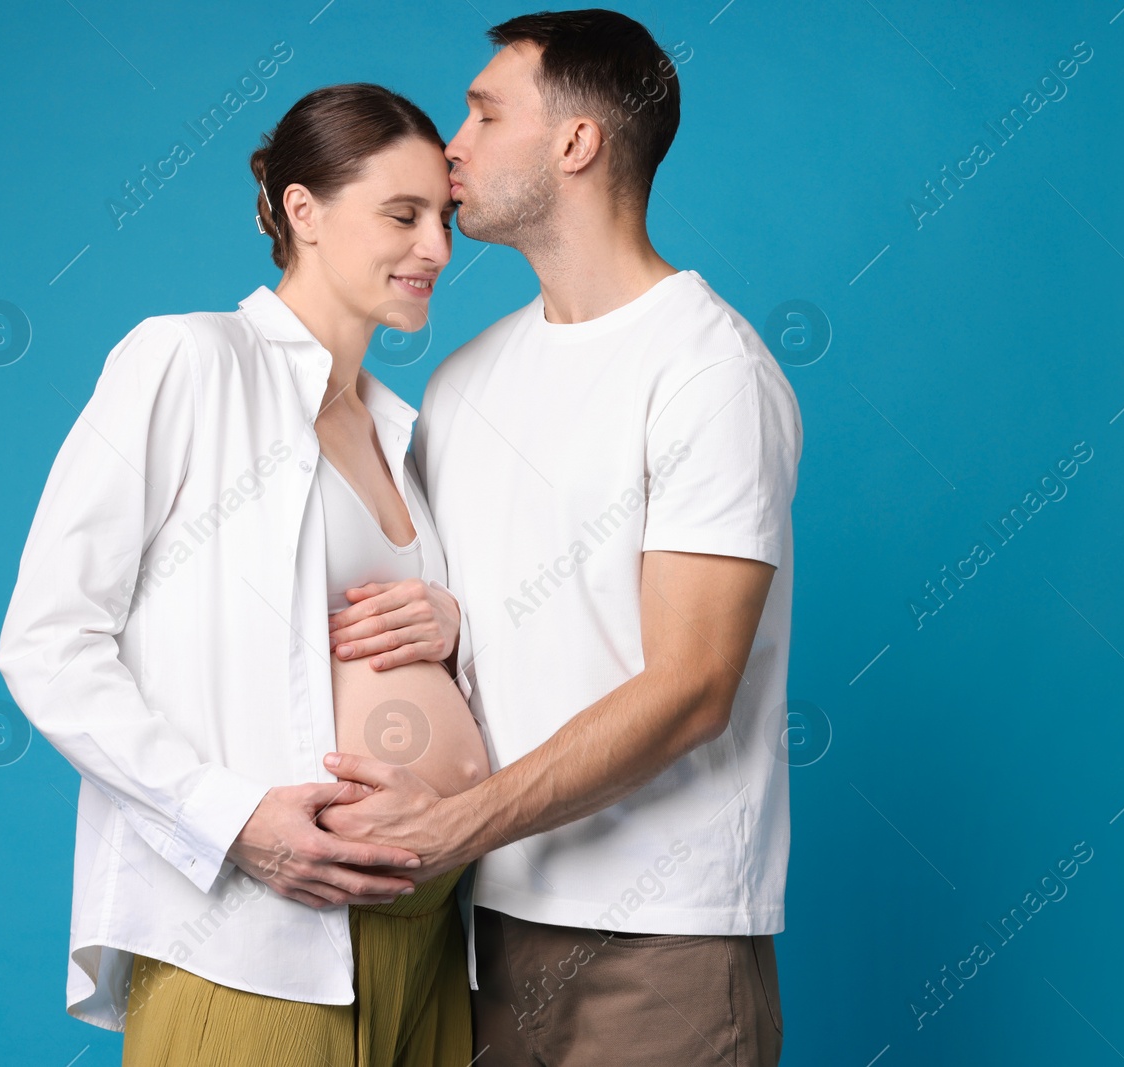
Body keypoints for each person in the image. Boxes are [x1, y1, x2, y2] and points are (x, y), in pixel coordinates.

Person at [316, 10, 802, 1065]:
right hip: (489, 926)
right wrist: (450, 616)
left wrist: (450, 826)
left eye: (486, 111)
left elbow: (690, 685)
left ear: (577, 144)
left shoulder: (706, 370)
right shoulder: (462, 378)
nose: (452, 141)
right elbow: (517, 610)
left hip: (664, 940)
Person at [0, 83, 488, 1065]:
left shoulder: (408, 432)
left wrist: (455, 625)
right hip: (257, 936)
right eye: (402, 214)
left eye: (444, 215)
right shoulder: (187, 362)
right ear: (302, 210)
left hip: (428, 939)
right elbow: (46, 644)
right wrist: (236, 820)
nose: (436, 247)